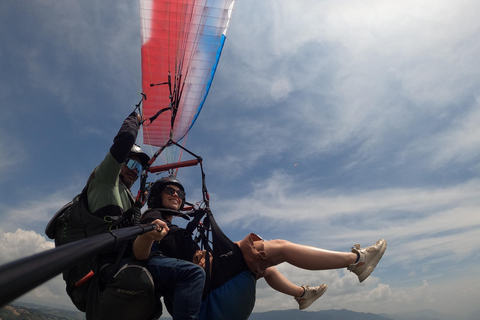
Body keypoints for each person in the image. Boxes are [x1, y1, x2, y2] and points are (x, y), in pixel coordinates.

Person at [135, 178, 387, 314]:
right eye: (170, 190)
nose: (177, 195)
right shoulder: (153, 217)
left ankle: (302, 295)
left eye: (180, 192)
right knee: (276, 248)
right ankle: (357, 260)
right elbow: (140, 252)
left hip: (206, 276)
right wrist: (150, 234)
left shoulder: (177, 226)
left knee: (265, 265)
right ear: (158, 195)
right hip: (201, 289)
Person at [85, 112, 205, 320]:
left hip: (126, 256)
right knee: (192, 274)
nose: (135, 170)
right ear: (119, 164)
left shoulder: (131, 201)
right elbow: (122, 143)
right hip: (110, 263)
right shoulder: (105, 181)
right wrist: (135, 118)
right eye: (130, 164)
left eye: (139, 167)